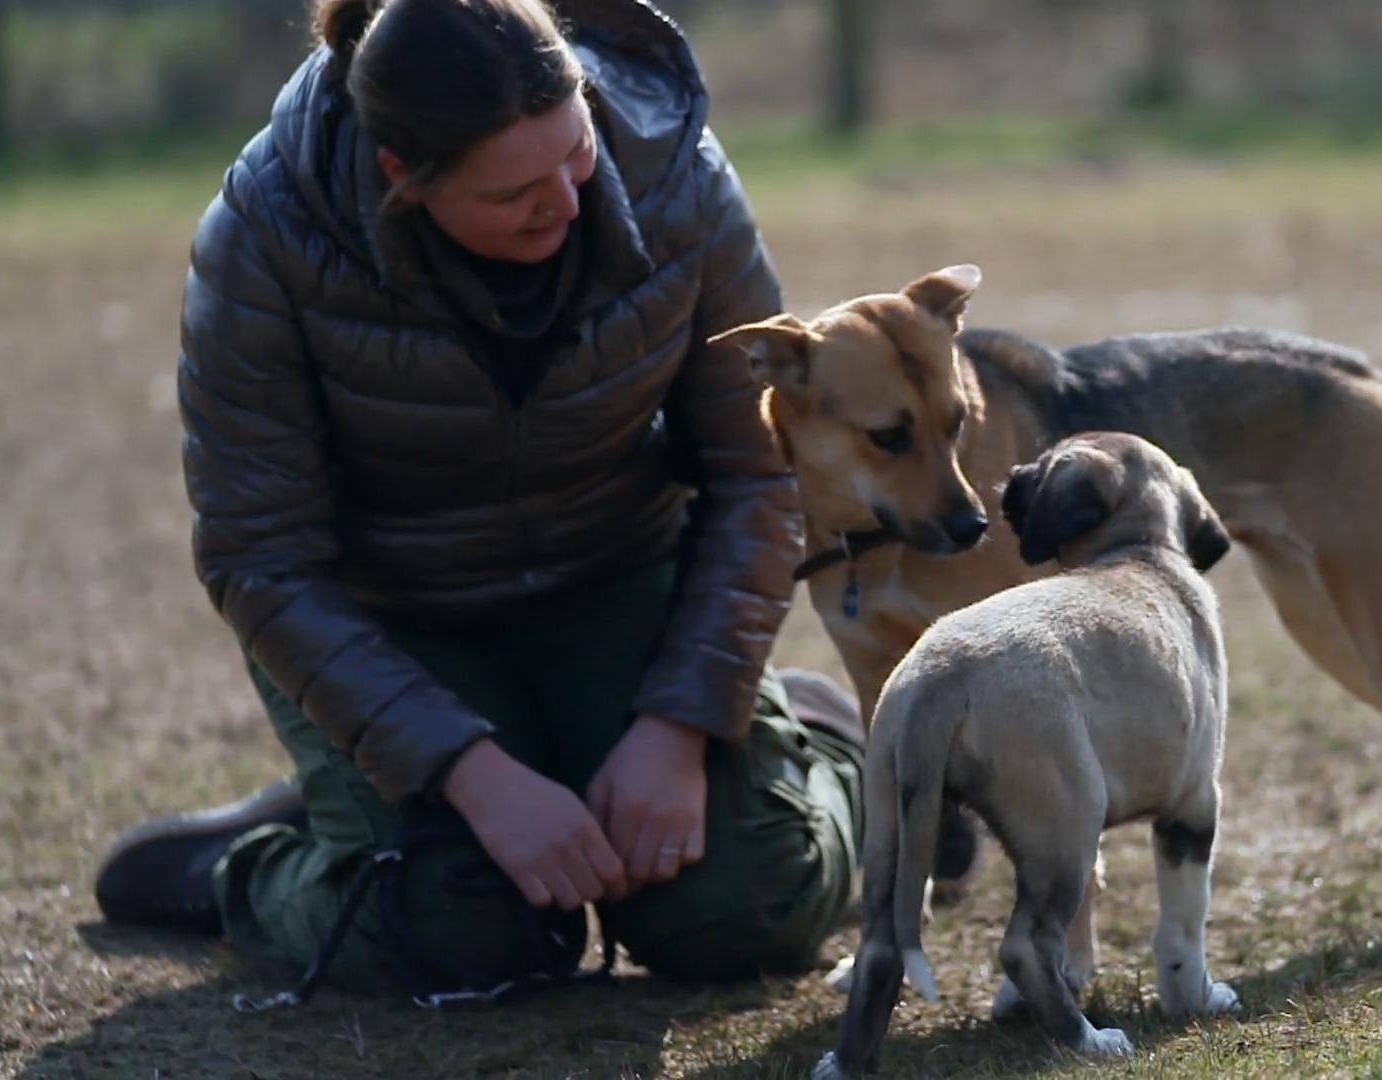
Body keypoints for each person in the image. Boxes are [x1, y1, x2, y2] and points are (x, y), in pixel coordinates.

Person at [94, 0, 865, 995]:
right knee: (462, 936)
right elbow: (260, 558)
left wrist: (682, 723)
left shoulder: (678, 173)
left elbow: (757, 469)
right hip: (396, 621)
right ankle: (258, 868)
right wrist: (473, 774)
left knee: (744, 907)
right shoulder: (262, 237)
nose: (569, 202)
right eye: (514, 193)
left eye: (575, 153)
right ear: (400, 180)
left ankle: (837, 765)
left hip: (620, 576)